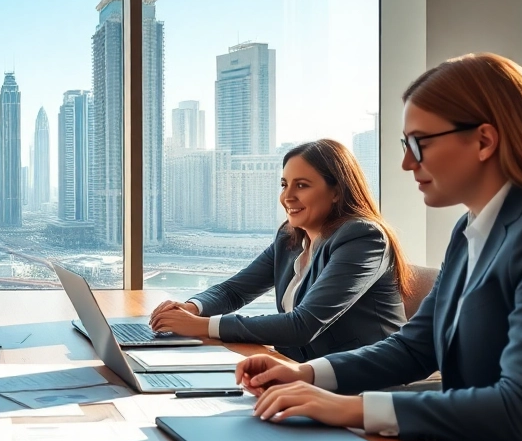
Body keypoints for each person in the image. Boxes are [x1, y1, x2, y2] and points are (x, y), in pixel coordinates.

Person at [238, 53, 522, 441]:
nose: (407, 163)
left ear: (483, 140)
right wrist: (307, 374)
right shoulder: (471, 229)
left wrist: (350, 407)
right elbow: (415, 348)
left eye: (419, 143)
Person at [149, 139, 411, 362]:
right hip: (298, 371)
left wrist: (203, 327)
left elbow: (303, 324)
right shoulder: (291, 238)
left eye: (302, 185)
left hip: (362, 382)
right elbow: (234, 290)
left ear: (336, 192)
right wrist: (192, 308)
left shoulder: (363, 238)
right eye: (284, 184)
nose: (288, 197)